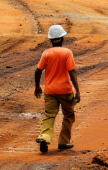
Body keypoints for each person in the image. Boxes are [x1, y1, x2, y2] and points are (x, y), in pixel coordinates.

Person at [34, 24, 80, 153]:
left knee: (49, 115)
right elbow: (72, 72)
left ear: (51, 39)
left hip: (50, 91)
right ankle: (64, 142)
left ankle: (44, 137)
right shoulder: (67, 53)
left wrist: (37, 86)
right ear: (61, 38)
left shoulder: (46, 53)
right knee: (69, 115)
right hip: (66, 91)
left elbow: (38, 71)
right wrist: (77, 91)